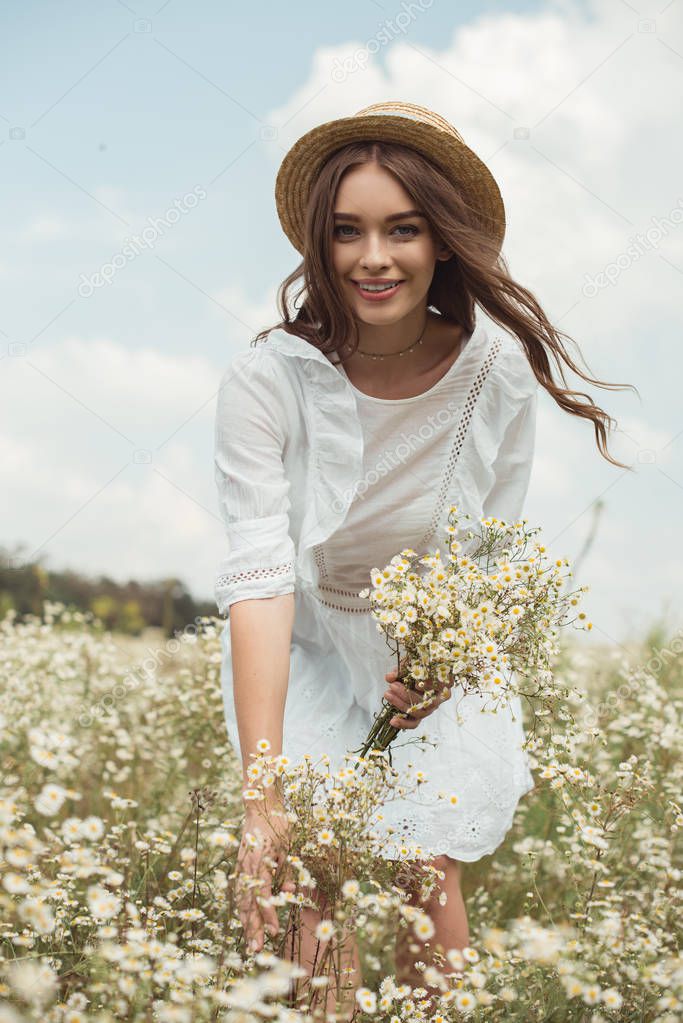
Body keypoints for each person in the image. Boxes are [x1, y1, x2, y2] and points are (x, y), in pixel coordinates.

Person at [213, 100, 634, 1013]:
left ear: (441, 240)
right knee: (303, 887)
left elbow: (485, 551)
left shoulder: (495, 372)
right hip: (306, 647)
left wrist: (442, 665)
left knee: (423, 871)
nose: (374, 257)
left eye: (402, 229)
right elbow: (258, 578)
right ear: (319, 248)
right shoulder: (264, 379)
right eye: (347, 232)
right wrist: (264, 797)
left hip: (432, 651)